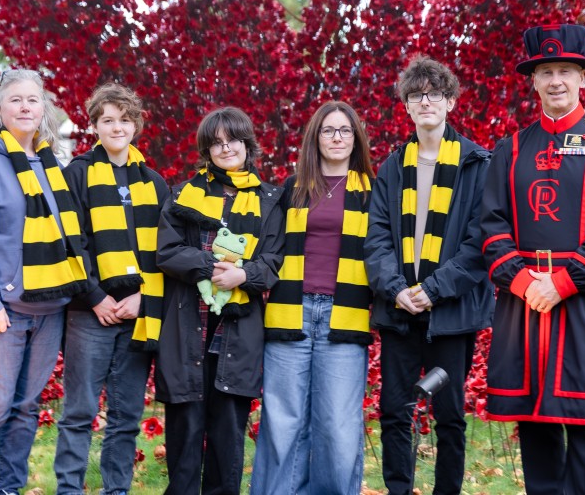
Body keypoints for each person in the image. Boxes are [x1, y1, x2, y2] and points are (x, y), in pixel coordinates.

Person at [481, 24, 585, 495]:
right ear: (533, 80)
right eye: (546, 71)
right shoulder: (510, 149)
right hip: (523, 306)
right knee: (536, 433)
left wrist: (562, 283)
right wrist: (524, 282)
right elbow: (492, 228)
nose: (555, 81)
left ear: (583, 78)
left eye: (565, 71)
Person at [0, 69, 88, 495]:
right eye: (15, 100)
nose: (25, 107)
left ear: (43, 108)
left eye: (33, 99)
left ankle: (8, 487)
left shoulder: (52, 164)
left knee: (25, 409)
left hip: (49, 307)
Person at [364, 56, 494, 495]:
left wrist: (433, 290)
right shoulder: (392, 167)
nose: (425, 102)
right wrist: (397, 290)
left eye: (435, 94)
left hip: (450, 313)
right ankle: (398, 489)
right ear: (406, 106)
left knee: (450, 416)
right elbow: (376, 238)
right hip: (400, 311)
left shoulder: (477, 164)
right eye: (416, 96)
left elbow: (480, 243)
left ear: (450, 102)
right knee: (394, 411)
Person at [154, 107, 285, 494]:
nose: (226, 149)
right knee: (184, 439)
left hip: (238, 332)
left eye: (234, 141)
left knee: (227, 441)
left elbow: (273, 260)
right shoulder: (183, 194)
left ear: (248, 144)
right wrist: (211, 266)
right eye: (217, 143)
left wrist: (242, 275)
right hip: (187, 330)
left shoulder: (270, 200)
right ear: (207, 151)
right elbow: (167, 251)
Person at [251, 101, 375, 494]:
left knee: (337, 425)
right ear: (315, 138)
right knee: (282, 422)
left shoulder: (373, 192)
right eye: (328, 130)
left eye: (345, 130)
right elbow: (269, 249)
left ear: (356, 138)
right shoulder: (293, 188)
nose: (337, 138)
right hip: (291, 311)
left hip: (345, 316)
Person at [54, 83, 170, 495]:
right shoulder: (77, 174)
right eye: (107, 120)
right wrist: (94, 296)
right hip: (91, 313)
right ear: (95, 125)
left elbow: (164, 251)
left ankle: (116, 490)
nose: (116, 127)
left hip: (138, 313)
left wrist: (143, 297)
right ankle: (69, 489)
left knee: (125, 417)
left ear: (136, 124)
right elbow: (70, 241)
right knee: (79, 412)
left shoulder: (154, 183)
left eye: (124, 119)